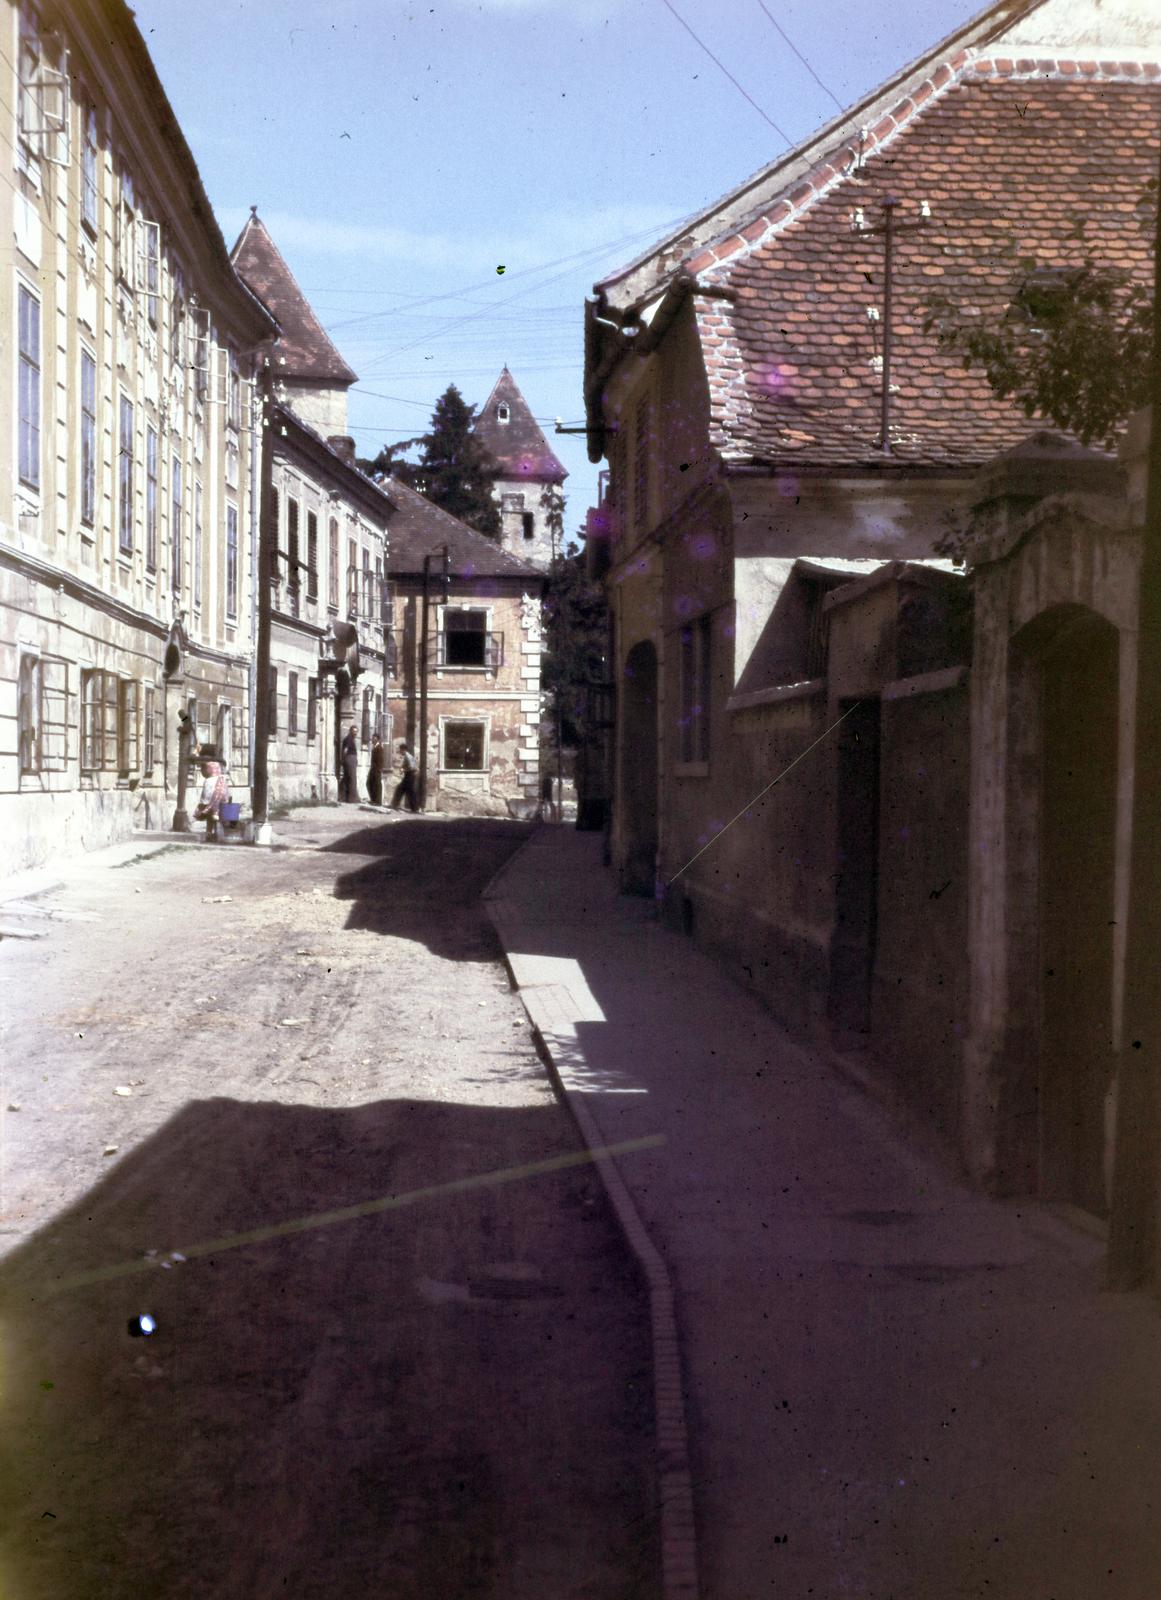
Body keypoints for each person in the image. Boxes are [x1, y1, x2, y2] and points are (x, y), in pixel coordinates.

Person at [194, 758, 229, 842]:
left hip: (211, 792)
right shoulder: (219, 762)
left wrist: (202, 804)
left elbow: (206, 795)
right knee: (218, 814)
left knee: (210, 816)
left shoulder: (206, 763)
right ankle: (218, 834)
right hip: (221, 785)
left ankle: (209, 834)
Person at [390, 740, 419, 812]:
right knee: (403, 790)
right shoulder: (407, 756)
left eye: (400, 750)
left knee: (406, 791)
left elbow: (412, 767)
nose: (400, 751)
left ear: (403, 749)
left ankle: (414, 808)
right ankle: (414, 808)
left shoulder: (408, 756)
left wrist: (403, 770)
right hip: (409, 776)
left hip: (410, 776)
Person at [340, 724, 359, 802]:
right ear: (350, 731)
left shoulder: (351, 739)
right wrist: (343, 759)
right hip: (349, 759)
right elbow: (345, 750)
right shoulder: (348, 739)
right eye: (354, 731)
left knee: (347, 778)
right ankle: (352, 799)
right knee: (352, 779)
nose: (355, 733)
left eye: (356, 732)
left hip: (351, 759)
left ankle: (345, 797)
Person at [367, 733, 386, 806]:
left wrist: (379, 770)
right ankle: (373, 800)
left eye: (373, 738)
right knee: (369, 783)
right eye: (372, 738)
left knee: (377, 785)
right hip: (373, 769)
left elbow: (380, 760)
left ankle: (377, 802)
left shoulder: (379, 748)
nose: (372, 739)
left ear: (377, 739)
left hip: (377, 769)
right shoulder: (375, 747)